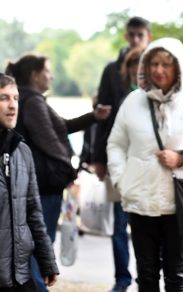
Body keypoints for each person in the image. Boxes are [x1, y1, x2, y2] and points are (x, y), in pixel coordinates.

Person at [5, 55, 111, 292]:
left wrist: (94, 116)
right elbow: (50, 139)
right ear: (35, 75)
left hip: (32, 183)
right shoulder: (31, 101)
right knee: (37, 247)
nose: (51, 76)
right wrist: (70, 170)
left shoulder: (30, 100)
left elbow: (60, 125)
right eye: (48, 71)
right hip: (43, 185)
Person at [107, 38, 183, 292]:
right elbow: (116, 144)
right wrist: (121, 181)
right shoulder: (132, 101)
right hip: (140, 202)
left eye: (166, 65)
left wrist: (182, 159)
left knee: (178, 277)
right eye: (154, 63)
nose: (159, 70)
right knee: (146, 276)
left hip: (179, 204)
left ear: (179, 68)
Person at [92, 16, 152, 292]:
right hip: (118, 157)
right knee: (119, 223)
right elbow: (101, 117)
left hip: (148, 160)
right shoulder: (111, 70)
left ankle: (146, 277)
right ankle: (122, 278)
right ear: (127, 37)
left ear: (148, 36)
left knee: (146, 222)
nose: (136, 39)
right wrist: (98, 158)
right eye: (132, 35)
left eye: (140, 34)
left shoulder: (156, 67)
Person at [0, 73, 59, 292]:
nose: (12, 106)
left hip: (20, 275)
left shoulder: (22, 151)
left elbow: (34, 211)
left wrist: (47, 261)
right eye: (4, 98)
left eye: (15, 98)